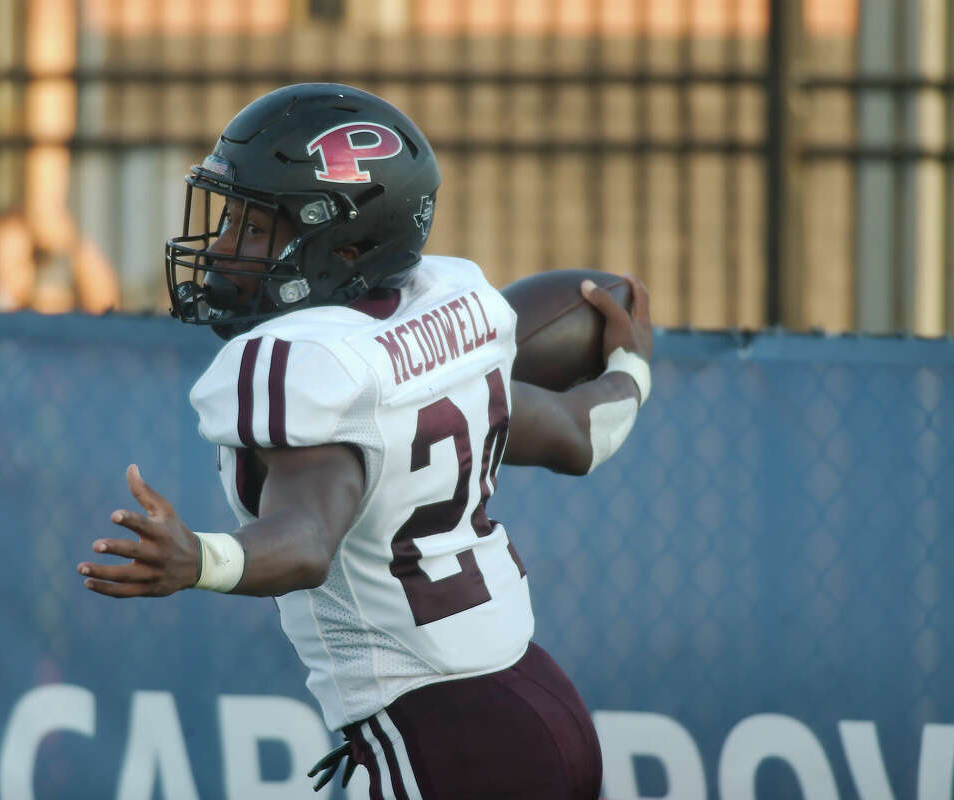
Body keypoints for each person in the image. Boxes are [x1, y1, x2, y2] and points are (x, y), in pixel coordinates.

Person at [77, 83, 653, 799]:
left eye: (253, 229)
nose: (223, 247)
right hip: (540, 698)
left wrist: (202, 559)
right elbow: (580, 433)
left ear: (341, 245)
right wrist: (633, 370)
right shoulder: (447, 316)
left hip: (446, 733)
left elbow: (307, 539)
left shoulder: (314, 365)